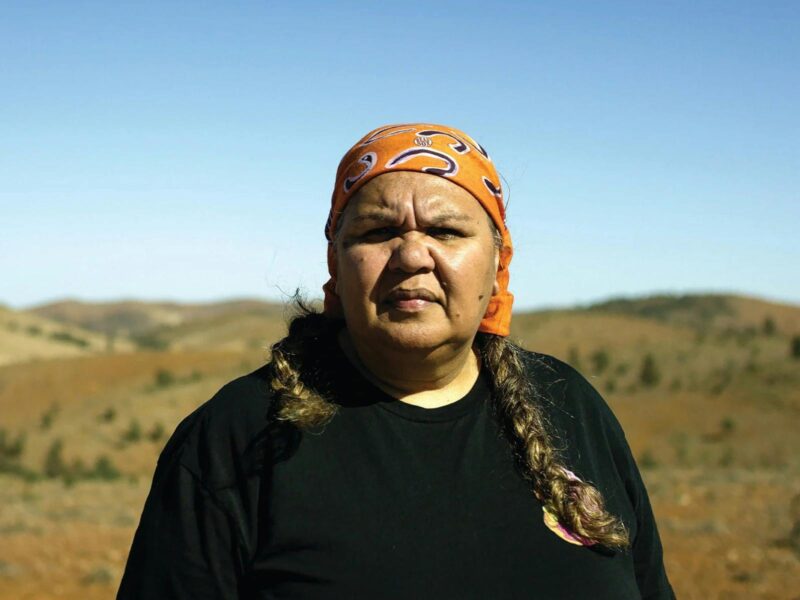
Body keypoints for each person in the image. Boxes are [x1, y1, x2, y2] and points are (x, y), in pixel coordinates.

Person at [117, 123, 675, 599]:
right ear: (336, 259)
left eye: (446, 231)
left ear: (498, 262)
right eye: (378, 231)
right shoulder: (238, 435)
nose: (411, 255)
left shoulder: (568, 402)